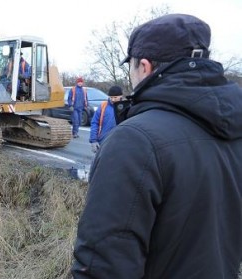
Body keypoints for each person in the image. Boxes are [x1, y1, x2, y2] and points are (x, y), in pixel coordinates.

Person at [72, 14, 242, 278]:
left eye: (131, 66)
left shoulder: (134, 142)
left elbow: (103, 267)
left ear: (145, 66)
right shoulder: (234, 131)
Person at [88, 85, 123, 153]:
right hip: (103, 142)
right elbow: (95, 122)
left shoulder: (126, 107)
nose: (113, 100)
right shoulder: (103, 106)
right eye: (111, 97)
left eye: (115, 97)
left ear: (121, 96)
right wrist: (93, 140)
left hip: (119, 143)